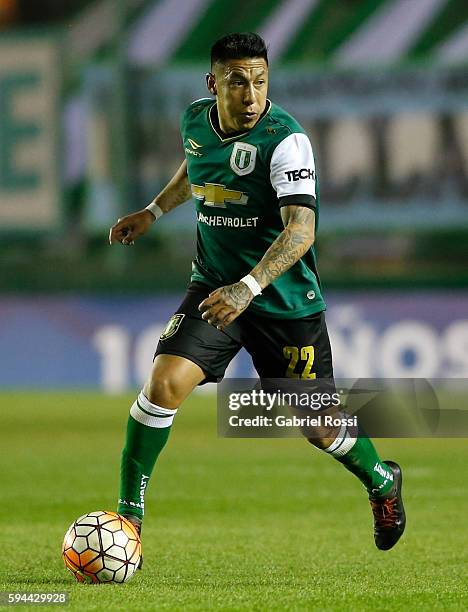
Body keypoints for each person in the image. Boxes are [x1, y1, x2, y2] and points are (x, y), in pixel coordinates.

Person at [109, 32, 405, 561]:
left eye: (261, 81)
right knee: (162, 384)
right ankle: (128, 521)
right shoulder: (195, 120)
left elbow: (300, 231)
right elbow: (196, 171)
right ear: (213, 83)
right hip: (213, 289)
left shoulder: (286, 140)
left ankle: (382, 480)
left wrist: (248, 288)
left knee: (319, 427)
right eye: (238, 82)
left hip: (282, 302)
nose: (251, 95)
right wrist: (152, 211)